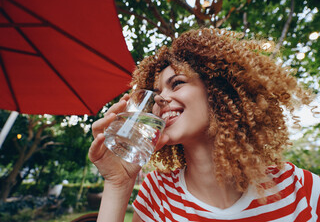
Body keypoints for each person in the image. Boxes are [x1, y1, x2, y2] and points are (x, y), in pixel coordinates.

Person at [89, 28, 320, 221]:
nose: (159, 100)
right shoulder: (157, 194)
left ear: (218, 91)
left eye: (177, 83)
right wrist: (118, 183)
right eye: (157, 93)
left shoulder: (301, 189)